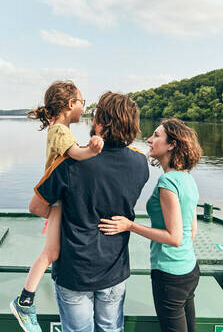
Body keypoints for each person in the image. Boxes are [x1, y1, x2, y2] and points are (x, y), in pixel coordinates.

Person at [29, 92, 149, 332]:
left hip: (75, 270)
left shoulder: (71, 163)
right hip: (114, 268)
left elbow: (37, 207)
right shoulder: (140, 163)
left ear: (101, 124)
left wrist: (63, 211)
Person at [10, 80, 104, 332]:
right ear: (69, 104)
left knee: (52, 251)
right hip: (58, 197)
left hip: (57, 198)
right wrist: (94, 148)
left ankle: (26, 300)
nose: (83, 107)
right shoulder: (61, 131)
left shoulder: (57, 128)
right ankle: (24, 302)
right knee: (50, 253)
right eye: (82, 102)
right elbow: (76, 154)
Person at [98, 118, 202, 332]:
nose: (149, 139)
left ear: (172, 144)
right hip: (190, 270)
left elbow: (174, 238)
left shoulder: (168, 182)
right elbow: (191, 231)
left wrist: (129, 226)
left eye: (156, 135)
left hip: (170, 275)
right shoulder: (187, 178)